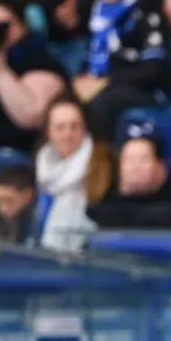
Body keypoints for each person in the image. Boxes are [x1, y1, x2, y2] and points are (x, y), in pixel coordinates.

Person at [73, 0, 171, 141]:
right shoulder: (97, 15)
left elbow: (152, 72)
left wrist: (106, 82)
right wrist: (82, 79)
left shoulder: (147, 14)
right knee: (62, 101)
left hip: (142, 90)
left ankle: (102, 160)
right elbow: (90, 57)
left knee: (102, 104)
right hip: (102, 84)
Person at [0, 0, 68, 152]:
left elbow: (30, 117)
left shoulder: (41, 63)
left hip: (18, 155)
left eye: (4, 26)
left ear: (22, 25)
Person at [85, 128, 171, 228]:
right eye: (129, 159)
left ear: (160, 167)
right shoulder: (101, 212)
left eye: (144, 159)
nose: (135, 167)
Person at [35, 96, 107, 252]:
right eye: (60, 128)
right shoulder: (40, 168)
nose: (67, 135)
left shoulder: (102, 164)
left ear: (84, 128)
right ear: (48, 132)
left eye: (74, 127)